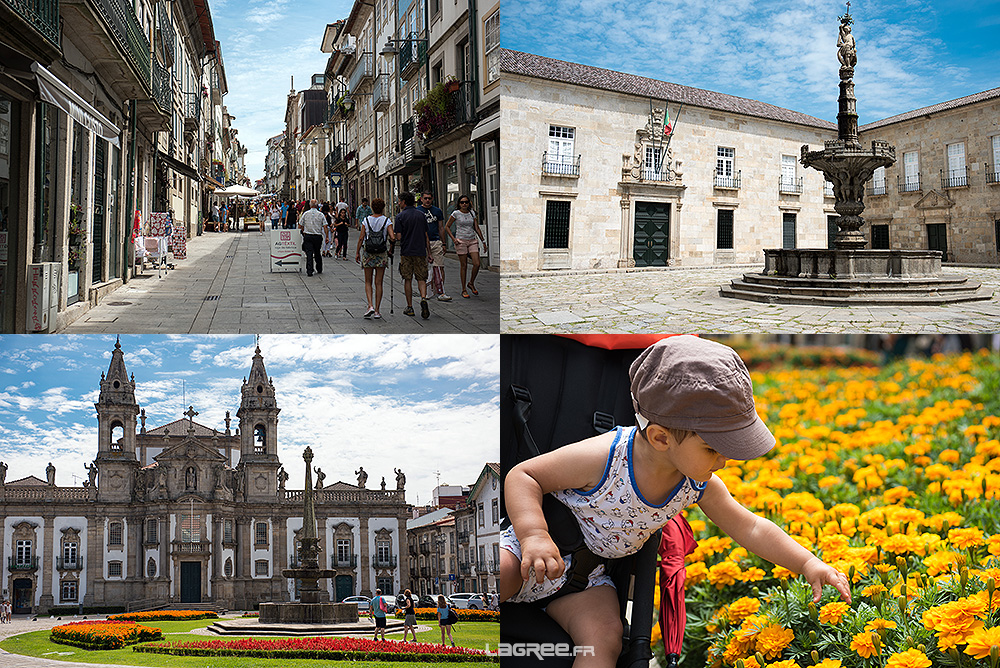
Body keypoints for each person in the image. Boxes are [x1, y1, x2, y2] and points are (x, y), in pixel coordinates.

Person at [500, 336, 852, 667]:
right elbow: (524, 476)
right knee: (499, 572)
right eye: (713, 449)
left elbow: (752, 527)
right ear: (660, 438)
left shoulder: (696, 483)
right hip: (526, 552)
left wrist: (808, 564)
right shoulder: (603, 456)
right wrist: (533, 534)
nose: (724, 461)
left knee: (606, 640)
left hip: (585, 580)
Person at [394, 192, 431, 319]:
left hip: (407, 251)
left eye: (399, 201)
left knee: (407, 278)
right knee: (421, 278)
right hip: (420, 251)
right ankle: (423, 298)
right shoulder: (421, 215)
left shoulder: (400, 216)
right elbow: (426, 235)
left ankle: (409, 307)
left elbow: (398, 237)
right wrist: (429, 252)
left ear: (404, 201)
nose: (398, 203)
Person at [356, 197, 393, 320]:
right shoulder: (387, 221)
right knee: (379, 282)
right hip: (381, 254)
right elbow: (392, 237)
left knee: (368, 281)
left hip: (368, 253)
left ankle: (370, 305)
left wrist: (357, 252)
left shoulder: (366, 220)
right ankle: (377, 310)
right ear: (383, 208)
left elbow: (361, 238)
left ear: (372, 207)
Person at [444, 195, 486, 299]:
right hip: (461, 241)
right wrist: (454, 239)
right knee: (464, 265)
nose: (464, 204)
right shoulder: (456, 213)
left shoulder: (472, 213)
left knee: (477, 263)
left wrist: (483, 241)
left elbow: (476, 227)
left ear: (469, 203)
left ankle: (471, 282)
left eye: (466, 202)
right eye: (462, 202)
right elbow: (447, 227)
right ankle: (463, 289)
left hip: (472, 240)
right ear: (459, 204)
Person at [418, 191, 451, 301]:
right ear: (421, 199)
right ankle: (427, 290)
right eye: (425, 198)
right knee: (425, 268)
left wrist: (444, 243)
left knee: (439, 266)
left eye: (429, 198)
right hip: (422, 243)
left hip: (436, 241)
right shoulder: (418, 211)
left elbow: (441, 227)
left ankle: (440, 291)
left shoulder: (437, 211)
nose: (427, 200)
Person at [298, 199, 326, 277]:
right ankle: (319, 268)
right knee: (317, 252)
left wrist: (303, 231)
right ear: (317, 206)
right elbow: (325, 226)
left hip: (308, 236)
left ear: (310, 205)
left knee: (309, 253)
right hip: (317, 236)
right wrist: (326, 236)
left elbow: (300, 225)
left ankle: (309, 270)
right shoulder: (321, 214)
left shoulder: (305, 214)